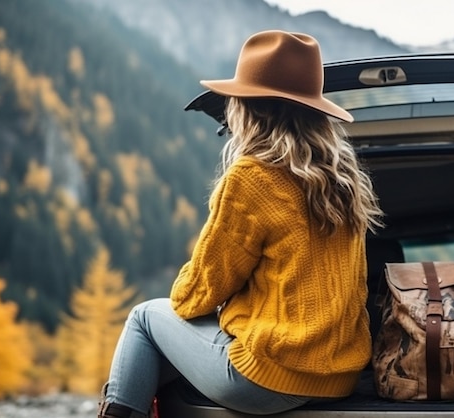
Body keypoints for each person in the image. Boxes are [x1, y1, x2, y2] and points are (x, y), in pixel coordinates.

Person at [98, 29, 384, 418]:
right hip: (339, 379)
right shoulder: (342, 182)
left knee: (145, 317)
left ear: (248, 109)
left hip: (269, 379)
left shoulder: (251, 178)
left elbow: (196, 294)